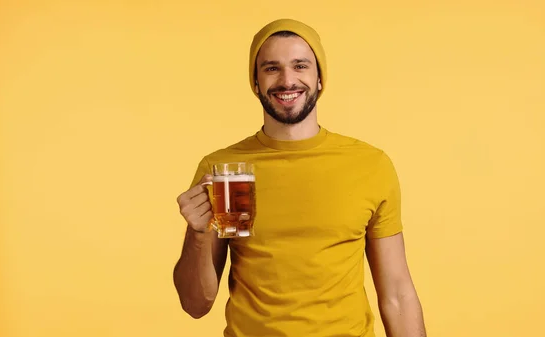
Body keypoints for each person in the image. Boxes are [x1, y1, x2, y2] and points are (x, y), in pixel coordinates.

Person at [173, 18, 426, 337]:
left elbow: (397, 294)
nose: (287, 80)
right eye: (271, 68)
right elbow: (196, 304)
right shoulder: (227, 171)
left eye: (300, 66)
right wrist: (197, 234)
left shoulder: (368, 165)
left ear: (320, 78)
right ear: (255, 82)